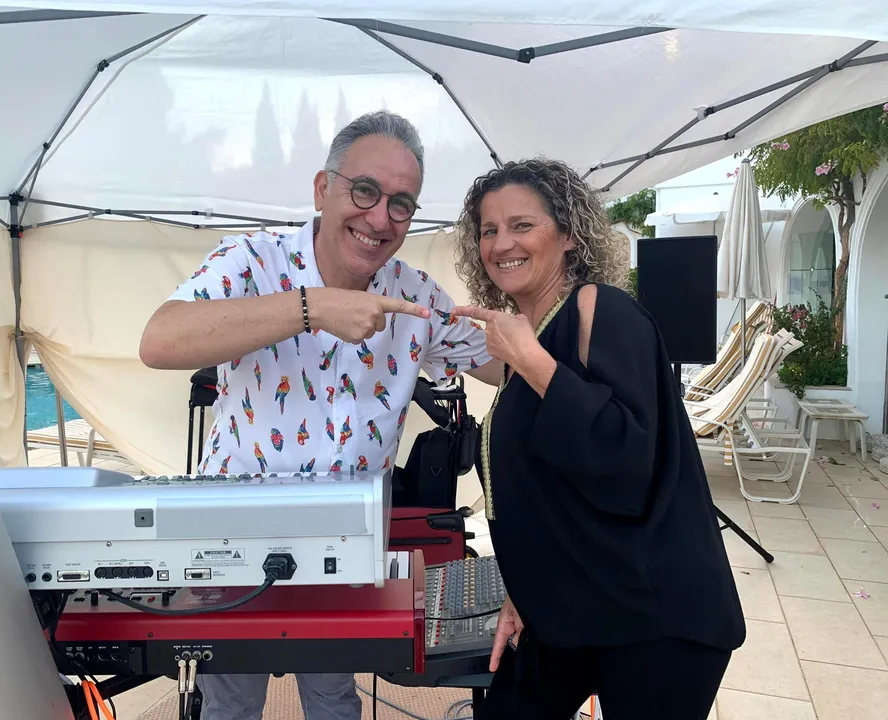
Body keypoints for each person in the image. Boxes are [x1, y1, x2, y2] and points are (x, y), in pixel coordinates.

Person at [139, 110, 501, 720]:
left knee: (333, 693)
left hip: (346, 540)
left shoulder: (414, 293)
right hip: (233, 540)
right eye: (364, 191)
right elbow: (159, 341)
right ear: (322, 189)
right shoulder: (252, 260)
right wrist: (311, 307)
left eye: (401, 204)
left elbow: (502, 364)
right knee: (231, 699)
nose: (379, 218)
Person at [448, 158, 746, 720]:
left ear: (569, 234)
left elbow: (626, 460)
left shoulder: (603, 310)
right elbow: (553, 494)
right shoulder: (532, 341)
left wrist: (530, 360)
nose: (501, 243)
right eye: (488, 230)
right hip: (570, 604)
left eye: (521, 225)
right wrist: (523, 591)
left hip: (654, 615)